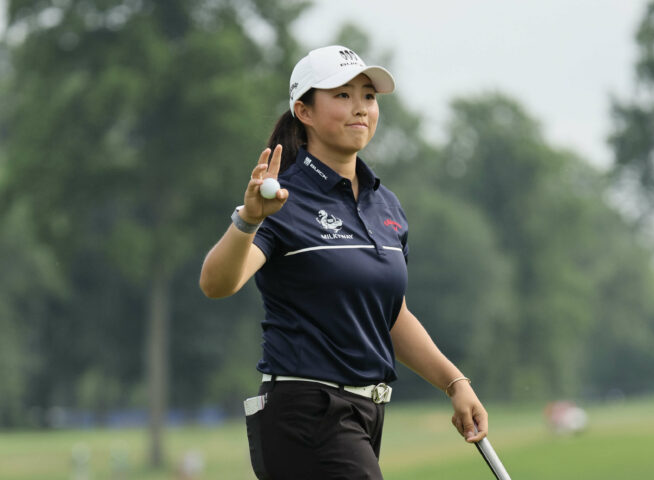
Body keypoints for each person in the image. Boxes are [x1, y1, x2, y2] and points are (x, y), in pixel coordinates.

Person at [199, 45, 488, 479]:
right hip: (305, 411)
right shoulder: (281, 200)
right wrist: (248, 221)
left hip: (365, 412)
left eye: (368, 97)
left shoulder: (384, 204)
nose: (360, 108)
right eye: (342, 95)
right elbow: (217, 283)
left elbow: (392, 316)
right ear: (304, 111)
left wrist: (454, 382)